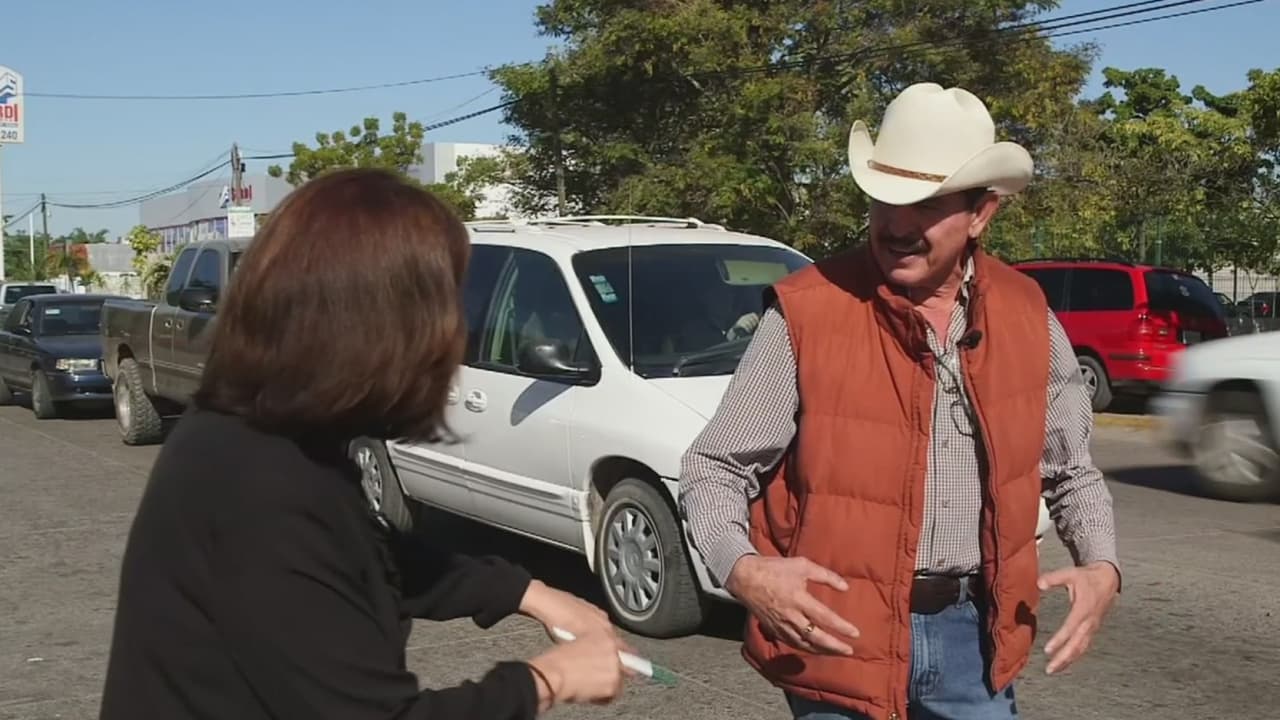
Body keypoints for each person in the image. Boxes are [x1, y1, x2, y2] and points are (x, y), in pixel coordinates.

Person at [99, 168, 630, 720]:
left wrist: (524, 592)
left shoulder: (258, 431)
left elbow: (364, 557)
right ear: (386, 324)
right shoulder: (262, 487)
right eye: (449, 303)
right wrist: (546, 680)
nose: (458, 329)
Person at [678, 83, 1121, 720]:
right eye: (883, 199)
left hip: (975, 640)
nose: (897, 224)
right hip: (837, 636)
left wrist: (1102, 566)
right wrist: (743, 571)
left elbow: (1071, 470)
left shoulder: (1028, 315)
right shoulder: (808, 311)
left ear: (981, 213)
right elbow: (715, 466)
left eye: (926, 204)